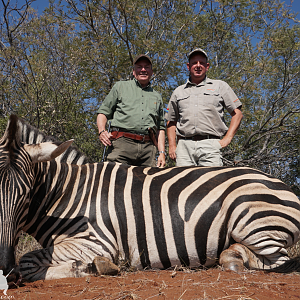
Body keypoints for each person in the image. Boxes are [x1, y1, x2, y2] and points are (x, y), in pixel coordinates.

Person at [166, 48, 243, 167]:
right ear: (188, 66)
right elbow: (171, 122)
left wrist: (227, 138)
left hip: (210, 144)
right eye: (194, 63)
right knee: (183, 184)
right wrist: (172, 146)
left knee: (212, 183)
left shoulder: (220, 86)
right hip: (184, 147)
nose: (198, 66)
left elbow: (237, 114)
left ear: (207, 66)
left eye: (201, 63)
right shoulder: (178, 91)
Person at [97, 54, 166, 167]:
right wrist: (102, 131)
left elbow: (160, 128)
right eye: (139, 67)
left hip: (148, 150)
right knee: (115, 180)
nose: (143, 70)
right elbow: (103, 112)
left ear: (151, 71)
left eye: (146, 67)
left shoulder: (157, 96)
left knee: (148, 183)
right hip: (122, 144)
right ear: (134, 71)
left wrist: (162, 153)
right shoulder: (120, 87)